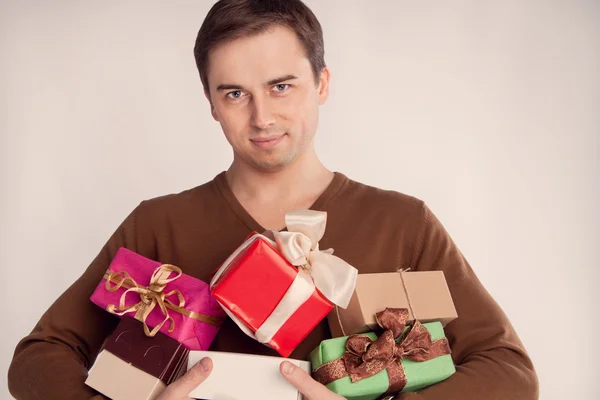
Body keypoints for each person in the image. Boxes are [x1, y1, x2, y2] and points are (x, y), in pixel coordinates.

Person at [8, 1, 539, 399]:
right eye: (234, 93)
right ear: (211, 104)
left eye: (281, 86)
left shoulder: (403, 222)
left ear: (322, 82)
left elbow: (509, 370)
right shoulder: (158, 224)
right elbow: (36, 359)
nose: (261, 117)